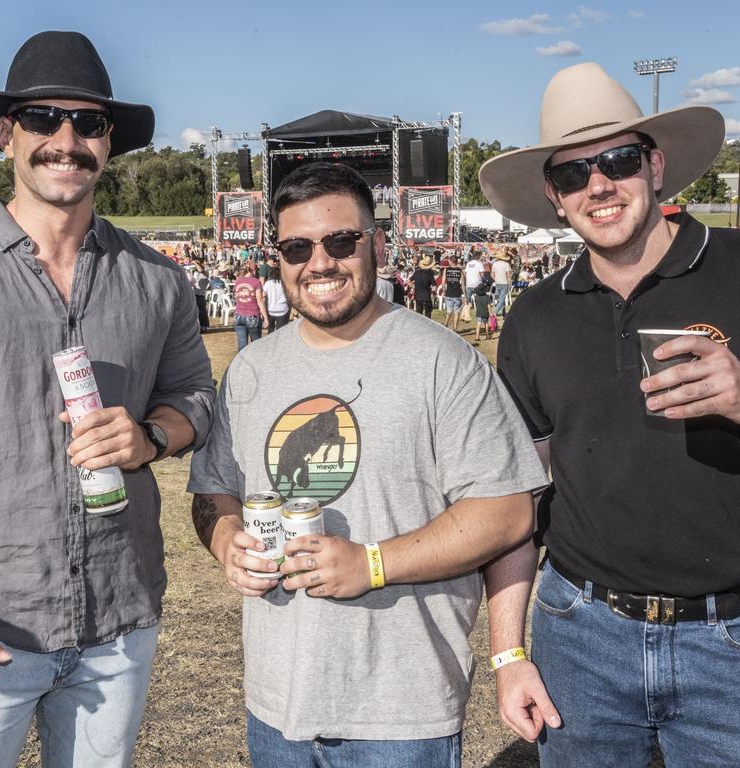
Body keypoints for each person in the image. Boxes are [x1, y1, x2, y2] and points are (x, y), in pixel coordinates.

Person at [477, 61, 740, 767]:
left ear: (655, 164)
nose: (599, 185)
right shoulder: (534, 315)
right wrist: (507, 653)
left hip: (733, 643)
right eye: (572, 174)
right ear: (556, 199)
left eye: (617, 159)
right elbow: (518, 498)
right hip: (578, 634)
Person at [0, 31, 215, 768]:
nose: (66, 139)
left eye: (88, 123)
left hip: (118, 624)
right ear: (6, 134)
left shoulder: (157, 280)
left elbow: (196, 399)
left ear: (109, 142)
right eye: (44, 118)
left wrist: (150, 437)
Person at [187, 161, 547, 767]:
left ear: (376, 245)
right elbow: (212, 492)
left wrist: (371, 564)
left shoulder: (444, 360)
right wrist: (227, 544)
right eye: (297, 247)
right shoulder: (251, 369)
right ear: (278, 257)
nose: (319, 262)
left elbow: (508, 511)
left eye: (341, 241)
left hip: (400, 713)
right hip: (276, 707)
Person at [234, 259, 269, 349]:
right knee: (255, 346)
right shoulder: (256, 282)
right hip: (252, 316)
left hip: (239, 315)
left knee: (242, 346)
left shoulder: (237, 281)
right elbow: (260, 301)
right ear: (253, 270)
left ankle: (241, 362)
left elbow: (237, 297)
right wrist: (266, 318)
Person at [262, 264, 290, 333]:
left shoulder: (268, 283)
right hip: (282, 309)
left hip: (271, 310)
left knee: (270, 331)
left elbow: (263, 294)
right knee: (281, 332)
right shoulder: (284, 283)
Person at [441, 254, 465, 331]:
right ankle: (455, 329)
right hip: (457, 293)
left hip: (449, 293)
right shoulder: (460, 271)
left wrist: (444, 291)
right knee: (456, 312)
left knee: (449, 311)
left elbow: (443, 282)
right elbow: (463, 284)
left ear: (451, 261)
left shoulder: (446, 270)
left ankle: (445, 324)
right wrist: (464, 294)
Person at [411, 253, 436, 317]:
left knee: (419, 315)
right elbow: (434, 287)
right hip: (427, 296)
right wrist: (433, 292)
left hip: (418, 296)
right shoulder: (430, 274)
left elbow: (408, 281)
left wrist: (413, 286)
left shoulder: (416, 272)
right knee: (428, 315)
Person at [190, 258, 211, 332]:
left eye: (198, 263)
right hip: (193, 294)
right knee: (194, 313)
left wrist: (195, 262)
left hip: (200, 295)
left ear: (202, 263)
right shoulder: (195, 272)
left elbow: (200, 270)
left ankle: (204, 327)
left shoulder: (205, 272)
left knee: (202, 312)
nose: (196, 264)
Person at [491, 247, 512, 316]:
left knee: (500, 299)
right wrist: (509, 283)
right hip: (504, 282)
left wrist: (495, 279)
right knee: (502, 299)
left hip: (497, 282)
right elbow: (509, 275)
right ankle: (495, 312)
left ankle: (503, 313)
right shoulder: (506, 264)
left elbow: (492, 274)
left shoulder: (494, 264)